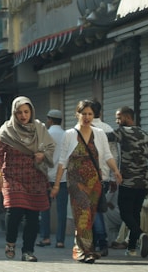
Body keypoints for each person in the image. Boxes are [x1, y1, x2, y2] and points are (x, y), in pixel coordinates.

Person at [51, 100, 122, 263]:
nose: (87, 117)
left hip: (94, 181)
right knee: (82, 213)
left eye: (90, 114)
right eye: (84, 114)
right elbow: (62, 161)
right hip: (76, 181)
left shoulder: (99, 133)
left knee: (89, 216)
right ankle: (86, 251)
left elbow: (107, 155)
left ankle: (80, 249)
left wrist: (116, 171)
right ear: (77, 114)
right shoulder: (69, 134)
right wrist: (56, 184)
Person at [0, 96, 56, 262]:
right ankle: (10, 243)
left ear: (31, 112)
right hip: (12, 177)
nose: (23, 115)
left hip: (34, 177)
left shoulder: (39, 128)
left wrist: (43, 155)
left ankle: (28, 251)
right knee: (14, 211)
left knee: (33, 217)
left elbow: (50, 146)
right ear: (14, 113)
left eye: (26, 112)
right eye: (19, 112)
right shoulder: (7, 130)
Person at [109, 106, 148, 258]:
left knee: (126, 213)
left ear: (127, 117)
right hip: (144, 183)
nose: (117, 121)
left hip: (128, 182)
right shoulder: (145, 135)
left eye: (119, 117)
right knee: (136, 213)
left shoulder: (122, 132)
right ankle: (132, 248)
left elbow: (105, 137)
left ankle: (139, 234)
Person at [89, 100, 117, 256]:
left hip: (88, 177)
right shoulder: (107, 128)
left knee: (91, 210)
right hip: (104, 176)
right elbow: (113, 154)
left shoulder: (81, 130)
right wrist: (113, 175)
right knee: (97, 210)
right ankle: (99, 242)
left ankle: (98, 241)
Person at [38, 109, 68, 249]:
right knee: (62, 210)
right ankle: (60, 240)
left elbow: (40, 155)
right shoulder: (66, 135)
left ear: (50, 120)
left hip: (47, 176)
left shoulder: (46, 135)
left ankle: (45, 237)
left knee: (45, 207)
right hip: (62, 177)